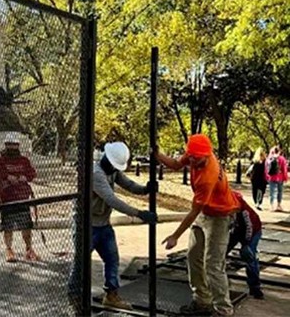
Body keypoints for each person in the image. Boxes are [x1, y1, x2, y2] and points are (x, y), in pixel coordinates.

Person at [68, 141, 157, 312]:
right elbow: (112, 200)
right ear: (107, 159)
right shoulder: (96, 173)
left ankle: (111, 295)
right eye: (114, 165)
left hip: (103, 224)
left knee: (112, 259)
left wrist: (145, 189)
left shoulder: (112, 170)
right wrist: (139, 213)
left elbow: (129, 185)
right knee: (81, 264)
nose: (116, 169)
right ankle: (75, 299)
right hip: (86, 226)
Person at [158, 134, 240, 317]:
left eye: (197, 158)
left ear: (207, 154)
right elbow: (175, 164)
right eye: (191, 156)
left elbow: (193, 212)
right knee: (193, 256)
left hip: (220, 215)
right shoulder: (194, 154)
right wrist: (158, 154)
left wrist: (175, 236)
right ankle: (202, 300)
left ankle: (223, 310)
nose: (193, 160)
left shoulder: (208, 175)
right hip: (205, 212)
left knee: (213, 264)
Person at [0, 132, 40, 262]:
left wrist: (25, 177)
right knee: (8, 226)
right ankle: (9, 249)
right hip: (7, 197)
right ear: (6, 145)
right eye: (10, 145)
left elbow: (32, 173)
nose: (12, 147)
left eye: (15, 145)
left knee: (26, 226)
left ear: (18, 146)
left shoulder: (23, 160)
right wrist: (6, 177)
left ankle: (28, 249)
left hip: (22, 197)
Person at [227, 191, 264, 299]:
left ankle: (255, 287)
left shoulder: (245, 212)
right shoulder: (227, 205)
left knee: (249, 256)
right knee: (221, 251)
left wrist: (246, 244)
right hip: (237, 230)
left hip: (253, 232)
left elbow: (249, 228)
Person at [264, 146, 288, 212]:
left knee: (272, 192)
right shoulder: (282, 158)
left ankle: (271, 206)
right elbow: (284, 169)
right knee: (280, 191)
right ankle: (278, 205)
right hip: (280, 177)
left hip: (271, 177)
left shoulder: (269, 158)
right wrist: (286, 177)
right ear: (279, 151)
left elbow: (266, 169)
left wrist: (266, 176)